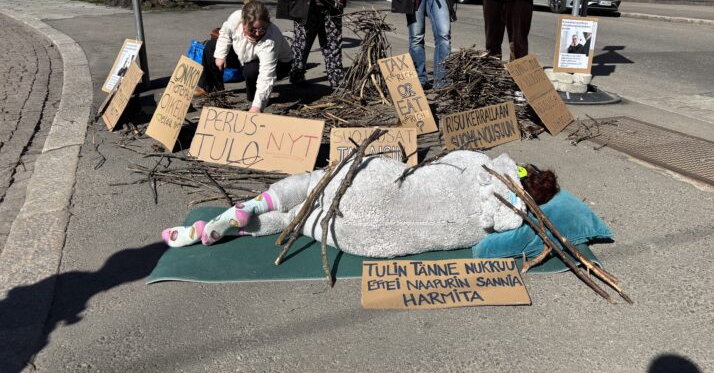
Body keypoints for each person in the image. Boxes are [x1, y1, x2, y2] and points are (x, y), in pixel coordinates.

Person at [161, 150, 559, 257]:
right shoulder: (497, 221)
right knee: (306, 220)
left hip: (378, 189)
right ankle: (258, 223)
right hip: (367, 242)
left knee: (315, 184)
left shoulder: (484, 165)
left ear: (523, 170)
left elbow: (445, 162)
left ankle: (253, 206)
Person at [194, 0, 293, 113]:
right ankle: (211, 88)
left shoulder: (271, 40)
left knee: (251, 70)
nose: (257, 33)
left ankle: (256, 98)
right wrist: (221, 55)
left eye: (262, 29)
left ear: (268, 22)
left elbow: (266, 75)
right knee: (211, 47)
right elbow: (225, 33)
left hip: (280, 65)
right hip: (244, 54)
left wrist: (257, 106)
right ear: (243, 22)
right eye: (253, 29)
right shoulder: (236, 18)